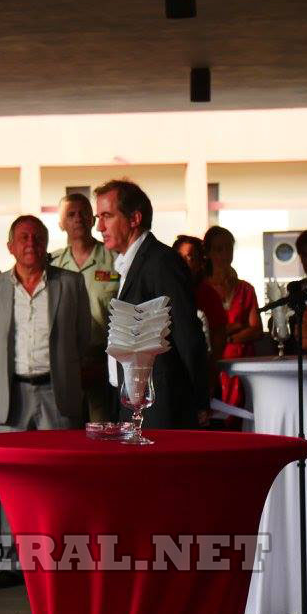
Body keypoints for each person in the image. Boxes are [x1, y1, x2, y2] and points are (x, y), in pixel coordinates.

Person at [0, 215, 91, 588]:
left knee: (61, 479)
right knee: (11, 481)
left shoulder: (70, 284)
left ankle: (61, 558)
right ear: (10, 246)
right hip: (10, 395)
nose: (31, 243)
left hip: (56, 394)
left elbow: (81, 338)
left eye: (38, 237)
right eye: (23, 237)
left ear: (46, 244)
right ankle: (14, 563)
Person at [95, 180, 210, 428]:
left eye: (106, 216)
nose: (99, 226)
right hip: (132, 402)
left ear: (134, 218)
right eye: (98, 217)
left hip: (161, 406)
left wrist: (200, 401)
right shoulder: (130, 262)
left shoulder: (162, 262)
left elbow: (188, 335)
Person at [50, 193, 118, 421]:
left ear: (92, 219)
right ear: (61, 223)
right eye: (71, 214)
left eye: (83, 213)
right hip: (66, 360)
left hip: (105, 358)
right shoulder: (53, 265)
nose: (78, 218)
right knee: (67, 429)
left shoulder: (114, 259)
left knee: (103, 428)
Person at [204, 225, 262, 415]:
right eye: (218, 249)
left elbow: (256, 329)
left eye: (228, 248)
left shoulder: (246, 288)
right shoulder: (201, 289)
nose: (224, 254)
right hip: (212, 364)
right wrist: (236, 327)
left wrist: (226, 336)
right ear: (208, 252)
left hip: (242, 364)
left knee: (242, 416)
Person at [173, 234, 226, 364]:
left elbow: (219, 339)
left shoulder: (209, 295)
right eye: (179, 257)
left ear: (199, 263)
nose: (182, 263)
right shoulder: (165, 292)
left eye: (189, 258)